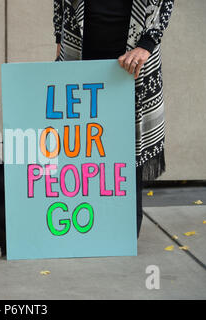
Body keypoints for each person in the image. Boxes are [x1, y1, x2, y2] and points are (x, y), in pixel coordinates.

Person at [53, 0, 174, 237]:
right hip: (80, 53)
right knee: (81, 144)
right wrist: (59, 38)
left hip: (134, 59)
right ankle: (81, 225)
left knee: (127, 144)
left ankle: (120, 229)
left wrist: (147, 43)